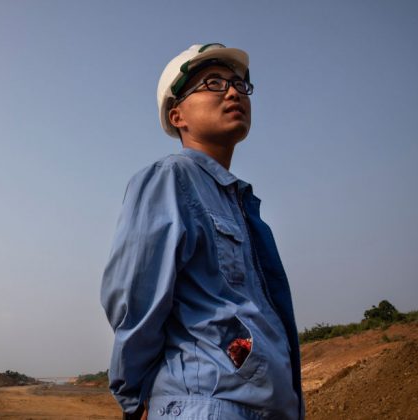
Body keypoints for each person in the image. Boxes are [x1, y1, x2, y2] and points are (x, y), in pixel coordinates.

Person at [100, 43, 304, 420]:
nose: (232, 92)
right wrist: (134, 395)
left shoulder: (241, 204)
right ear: (178, 115)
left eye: (239, 85)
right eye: (212, 83)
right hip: (205, 404)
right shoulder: (171, 179)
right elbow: (136, 296)